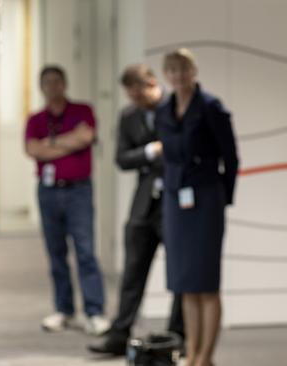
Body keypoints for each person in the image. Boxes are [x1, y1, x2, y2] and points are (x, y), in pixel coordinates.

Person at [88, 65, 184, 356]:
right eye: (132, 97)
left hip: (174, 201)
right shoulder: (129, 116)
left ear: (152, 83)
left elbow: (183, 150)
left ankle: (177, 335)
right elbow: (122, 158)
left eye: (141, 95)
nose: (137, 101)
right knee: (133, 271)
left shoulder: (178, 108)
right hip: (143, 204)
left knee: (179, 271)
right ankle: (120, 334)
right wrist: (152, 152)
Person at [157, 49, 239, 366]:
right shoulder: (164, 108)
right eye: (172, 69)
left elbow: (230, 158)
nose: (178, 75)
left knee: (206, 283)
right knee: (185, 285)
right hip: (176, 200)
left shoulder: (210, 107)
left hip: (206, 198)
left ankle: (206, 356)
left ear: (193, 71)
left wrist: (223, 197)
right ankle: (192, 353)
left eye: (183, 69)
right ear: (166, 74)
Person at [24, 65, 110, 335]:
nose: (53, 86)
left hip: (78, 191)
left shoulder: (82, 111)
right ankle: (64, 309)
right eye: (47, 82)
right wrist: (69, 142)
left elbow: (86, 137)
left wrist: (50, 145)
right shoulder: (36, 119)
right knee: (56, 253)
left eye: (57, 81)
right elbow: (33, 149)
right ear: (42, 87)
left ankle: (94, 311)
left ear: (64, 84)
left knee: (85, 251)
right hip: (48, 192)